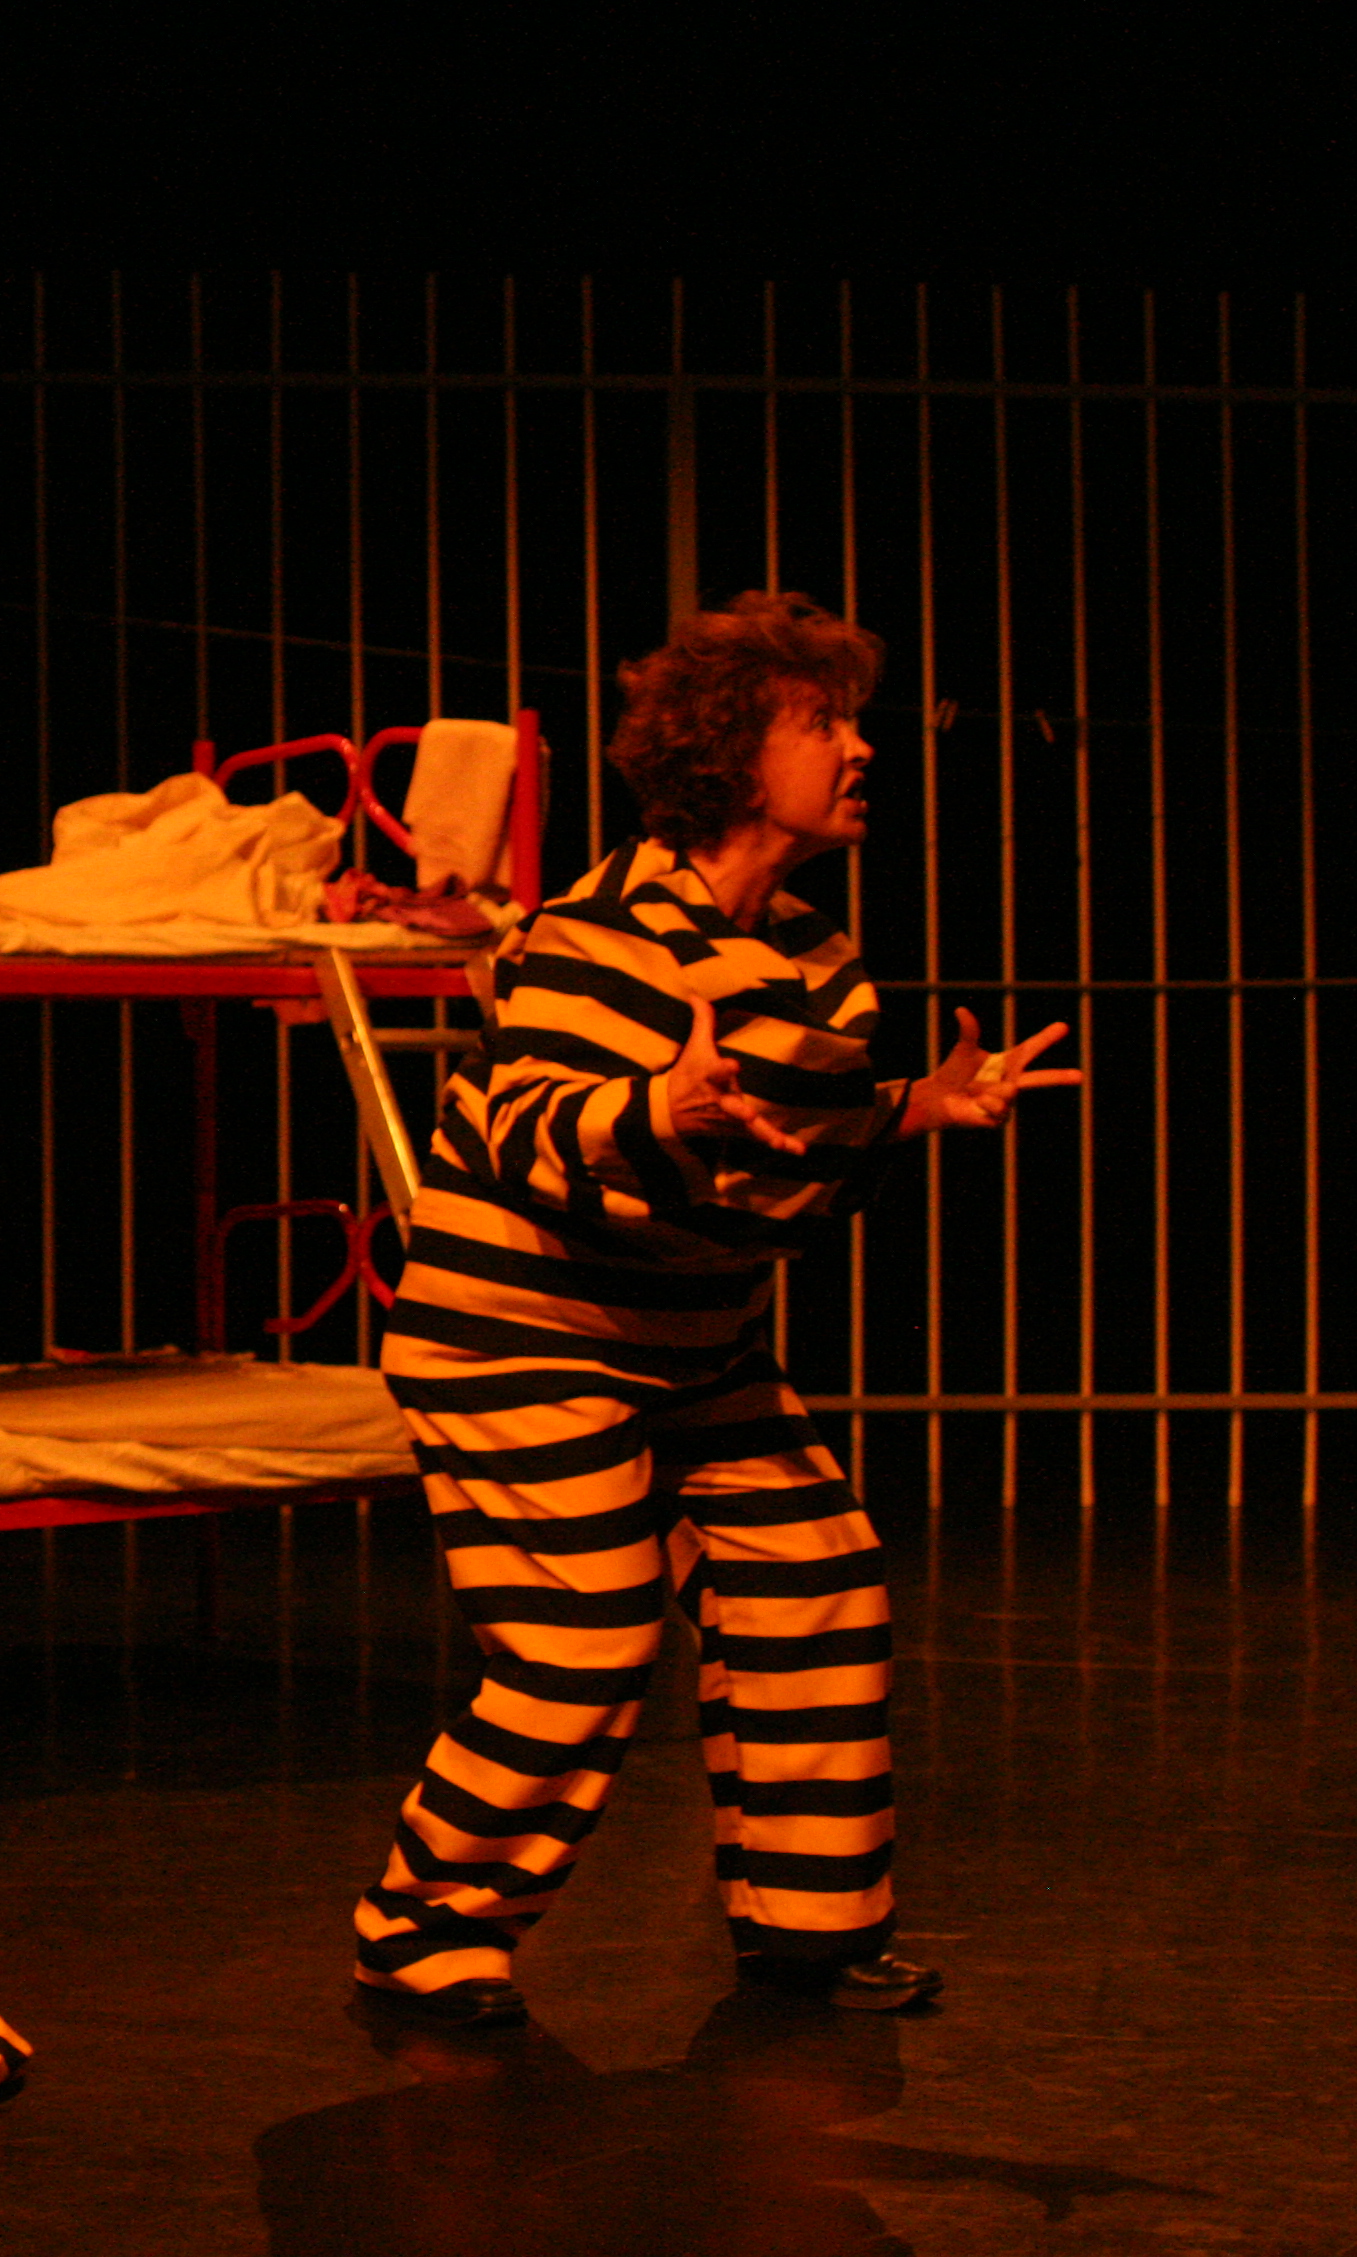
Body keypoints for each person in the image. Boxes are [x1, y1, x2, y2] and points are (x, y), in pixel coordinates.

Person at [350, 590, 1075, 2025]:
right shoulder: (598, 933)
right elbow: (528, 1123)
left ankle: (808, 1929)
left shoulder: (818, 962)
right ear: (735, 755)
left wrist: (919, 1108)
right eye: (827, 724)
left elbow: (791, 1146)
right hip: (522, 1339)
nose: (863, 749)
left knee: (818, 1578)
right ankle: (419, 1929)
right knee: (581, 1643)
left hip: (690, 1340)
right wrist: (653, 1111)